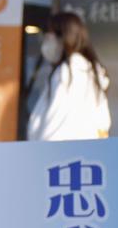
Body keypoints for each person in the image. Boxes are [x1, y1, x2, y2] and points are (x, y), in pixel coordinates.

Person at [26, 11, 111, 141]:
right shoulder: (87, 70)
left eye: (49, 37)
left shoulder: (70, 71)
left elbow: (54, 127)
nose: (45, 42)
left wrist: (37, 154)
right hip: (81, 153)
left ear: (63, 37)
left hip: (58, 155)